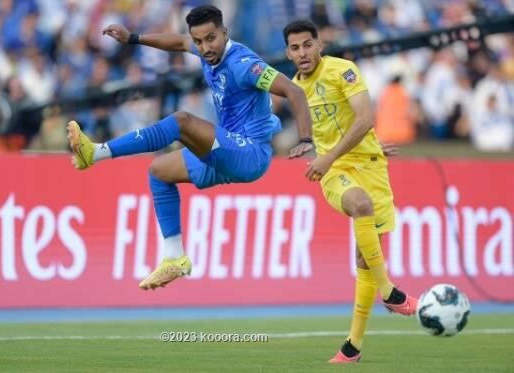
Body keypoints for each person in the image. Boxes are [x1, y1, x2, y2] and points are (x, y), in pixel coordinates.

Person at [67, 6, 314, 290]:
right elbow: (178, 42)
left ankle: (96, 152)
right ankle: (174, 257)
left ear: (224, 32)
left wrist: (305, 138)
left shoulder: (244, 63)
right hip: (226, 150)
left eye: (211, 38)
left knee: (182, 121)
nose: (204, 47)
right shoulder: (204, 49)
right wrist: (133, 38)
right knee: (159, 171)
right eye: (199, 41)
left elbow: (294, 91)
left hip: (251, 153)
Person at [282, 20, 418, 364]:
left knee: (364, 260)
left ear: (319, 46)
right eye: (295, 48)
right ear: (288, 53)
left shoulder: (343, 71)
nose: (302, 53)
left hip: (370, 166)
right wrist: (324, 158)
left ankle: (352, 348)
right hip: (334, 171)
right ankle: (391, 292)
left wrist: (363, 149)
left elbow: (364, 120)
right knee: (360, 204)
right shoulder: (293, 91)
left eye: (307, 45)